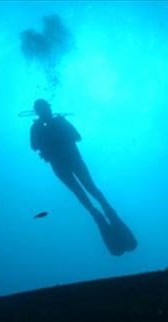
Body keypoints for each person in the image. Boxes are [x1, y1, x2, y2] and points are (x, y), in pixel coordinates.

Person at [29, 99, 137, 255]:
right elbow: (34, 146)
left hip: (72, 160)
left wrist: (59, 131)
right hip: (62, 164)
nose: (46, 112)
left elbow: (78, 137)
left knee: (89, 188)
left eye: (46, 108)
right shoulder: (36, 128)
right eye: (42, 110)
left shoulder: (59, 122)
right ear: (38, 112)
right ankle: (98, 213)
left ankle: (105, 211)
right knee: (80, 191)